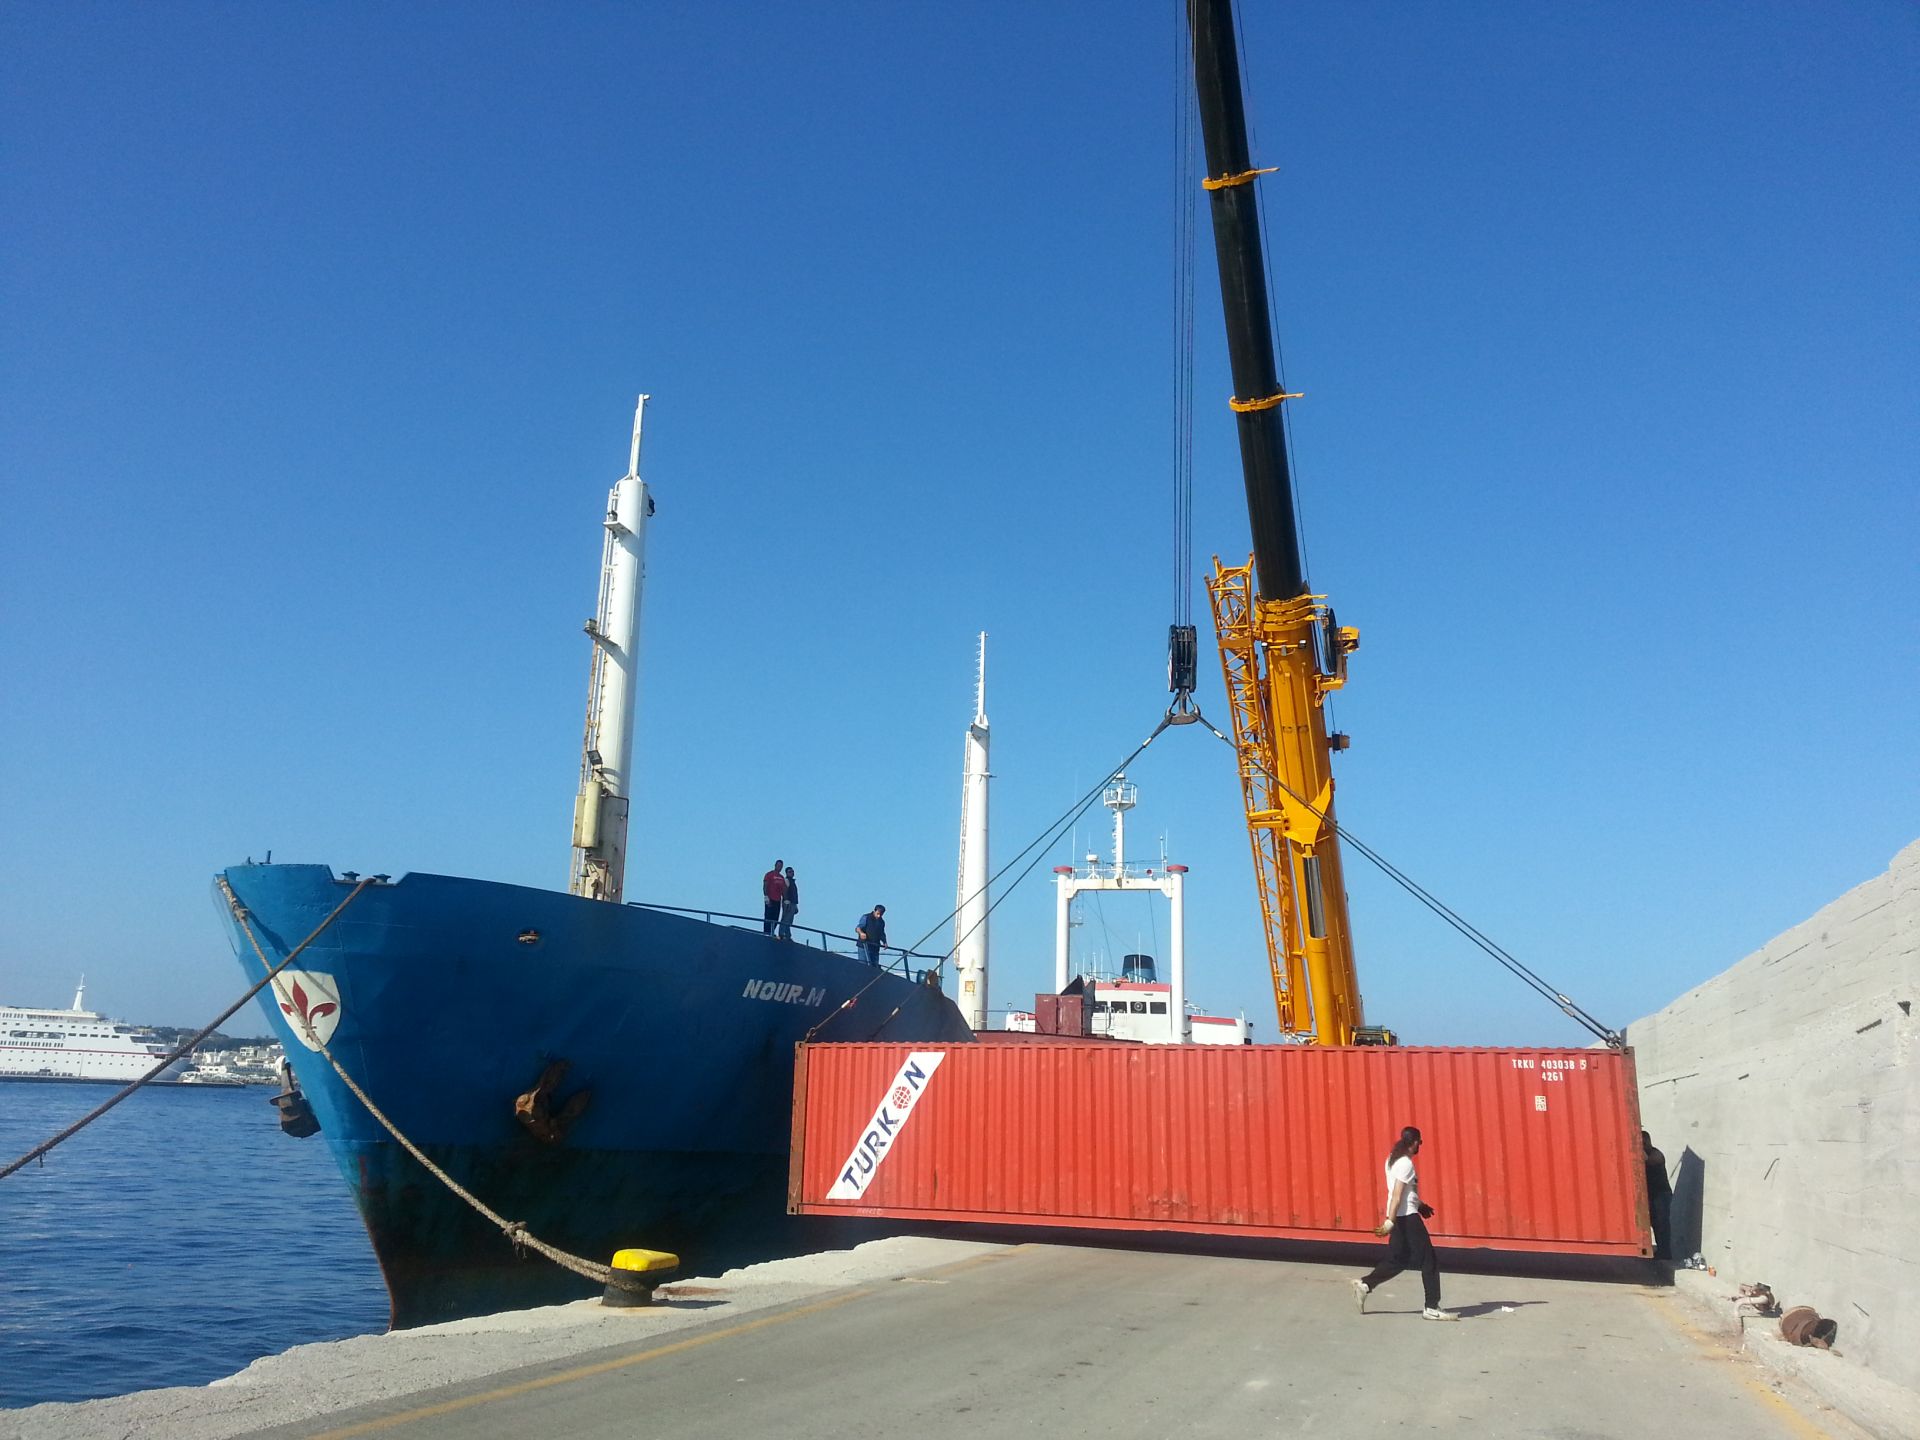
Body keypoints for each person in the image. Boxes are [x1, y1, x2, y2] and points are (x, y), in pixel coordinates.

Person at [1353, 1125, 1458, 1321]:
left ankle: (1366, 1285)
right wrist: (1389, 1221)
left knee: (1398, 1259)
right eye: (1420, 1142)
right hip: (1407, 1218)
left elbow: (1407, 1193)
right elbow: (1397, 1195)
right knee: (1429, 1260)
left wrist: (1421, 1205)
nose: (1420, 1146)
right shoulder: (1405, 1164)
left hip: (1403, 1215)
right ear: (1415, 1142)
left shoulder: (1392, 1159)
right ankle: (1431, 1307)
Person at [1643, 1130, 1674, 1262]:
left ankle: (1665, 1252)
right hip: (1653, 1195)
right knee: (1655, 1223)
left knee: (1662, 1224)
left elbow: (1648, 1160)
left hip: (1662, 1195)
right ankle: (1661, 1250)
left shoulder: (1656, 1154)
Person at [761, 860, 786, 936]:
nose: (779, 867)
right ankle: (766, 933)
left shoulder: (782, 878)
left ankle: (772, 932)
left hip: (778, 900)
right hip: (770, 899)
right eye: (778, 865)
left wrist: (785, 900)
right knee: (768, 917)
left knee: (775, 918)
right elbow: (765, 886)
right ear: (775, 865)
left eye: (781, 866)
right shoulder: (769, 874)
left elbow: (783, 890)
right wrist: (766, 897)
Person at [777, 866, 800, 941]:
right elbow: (785, 890)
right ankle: (781, 934)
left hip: (793, 903)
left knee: (789, 920)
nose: (792, 873)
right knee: (785, 919)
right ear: (786, 873)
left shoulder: (792, 881)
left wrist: (795, 905)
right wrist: (786, 901)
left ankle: (787, 935)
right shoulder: (786, 880)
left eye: (792, 871)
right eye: (790, 872)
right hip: (788, 903)